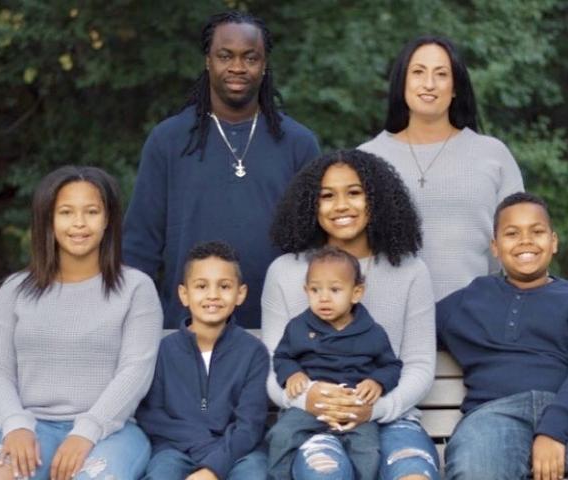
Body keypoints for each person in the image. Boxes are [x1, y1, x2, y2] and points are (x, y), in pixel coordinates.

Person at [123, 10, 321, 329]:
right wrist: (145, 323)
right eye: (225, 56)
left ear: (264, 64)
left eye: (250, 57)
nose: (237, 67)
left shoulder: (299, 143)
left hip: (280, 335)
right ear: (208, 61)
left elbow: (317, 249)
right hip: (186, 332)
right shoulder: (169, 140)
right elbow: (139, 246)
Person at [437, 192, 568, 480]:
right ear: (495, 246)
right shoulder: (467, 302)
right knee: (476, 472)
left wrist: (553, 431)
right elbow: (408, 339)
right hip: (493, 415)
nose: (525, 240)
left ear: (553, 242)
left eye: (537, 231)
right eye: (512, 233)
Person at [0, 166, 162, 480]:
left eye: (92, 212)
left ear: (108, 219)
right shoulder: (15, 290)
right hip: (28, 428)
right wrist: (15, 426)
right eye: (66, 212)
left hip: (111, 433)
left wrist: (86, 432)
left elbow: (135, 371)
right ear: (48, 219)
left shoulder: (136, 288)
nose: (79, 223)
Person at [262, 150, 440, 480]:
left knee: (413, 475)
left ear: (376, 199)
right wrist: (309, 399)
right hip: (313, 420)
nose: (341, 205)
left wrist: (376, 408)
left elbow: (418, 365)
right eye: (327, 196)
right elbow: (273, 364)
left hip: (391, 417)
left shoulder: (411, 271)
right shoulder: (285, 272)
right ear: (311, 206)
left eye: (354, 193)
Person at [359, 35, 524, 302]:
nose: (429, 84)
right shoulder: (367, 159)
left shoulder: (493, 155)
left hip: (478, 321)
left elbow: (519, 244)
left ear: (456, 86)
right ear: (402, 82)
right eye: (418, 72)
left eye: (441, 74)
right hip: (388, 321)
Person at [267, 246, 403, 480]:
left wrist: (377, 382)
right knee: (281, 435)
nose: (324, 298)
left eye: (335, 289)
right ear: (305, 290)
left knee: (368, 450)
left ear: (356, 292)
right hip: (311, 406)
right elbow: (282, 357)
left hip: (353, 408)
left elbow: (391, 366)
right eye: (315, 290)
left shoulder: (372, 331)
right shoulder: (299, 327)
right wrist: (292, 374)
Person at [136, 241, 269, 480]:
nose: (213, 295)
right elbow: (151, 416)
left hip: (239, 453)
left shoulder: (254, 352)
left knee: (255, 474)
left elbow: (250, 425)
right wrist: (203, 446)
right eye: (201, 286)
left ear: (240, 294)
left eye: (225, 286)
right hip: (175, 449)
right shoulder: (162, 351)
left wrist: (212, 468)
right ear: (184, 294)